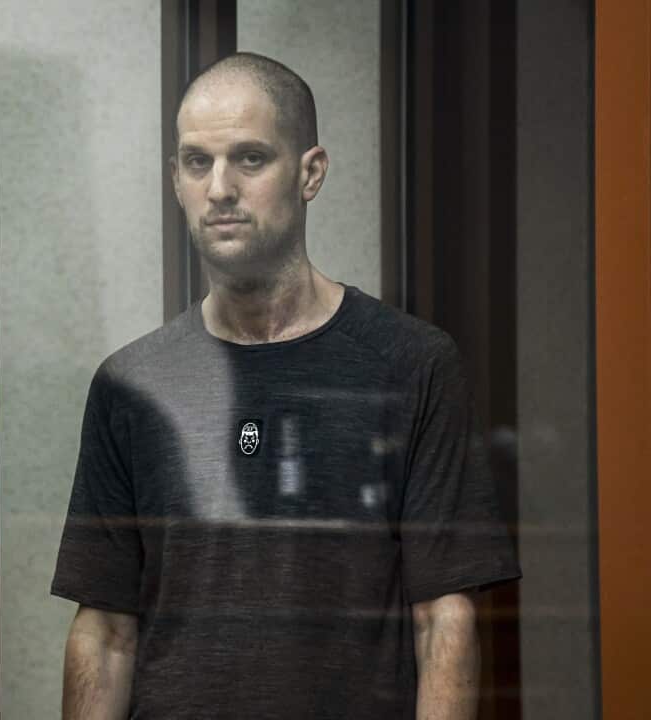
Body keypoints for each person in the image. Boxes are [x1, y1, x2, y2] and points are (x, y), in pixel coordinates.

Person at [52, 53, 520, 719]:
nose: (218, 188)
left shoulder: (412, 363)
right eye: (196, 162)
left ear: (310, 173)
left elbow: (442, 618)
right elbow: (103, 632)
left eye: (249, 158)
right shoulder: (132, 384)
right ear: (176, 182)